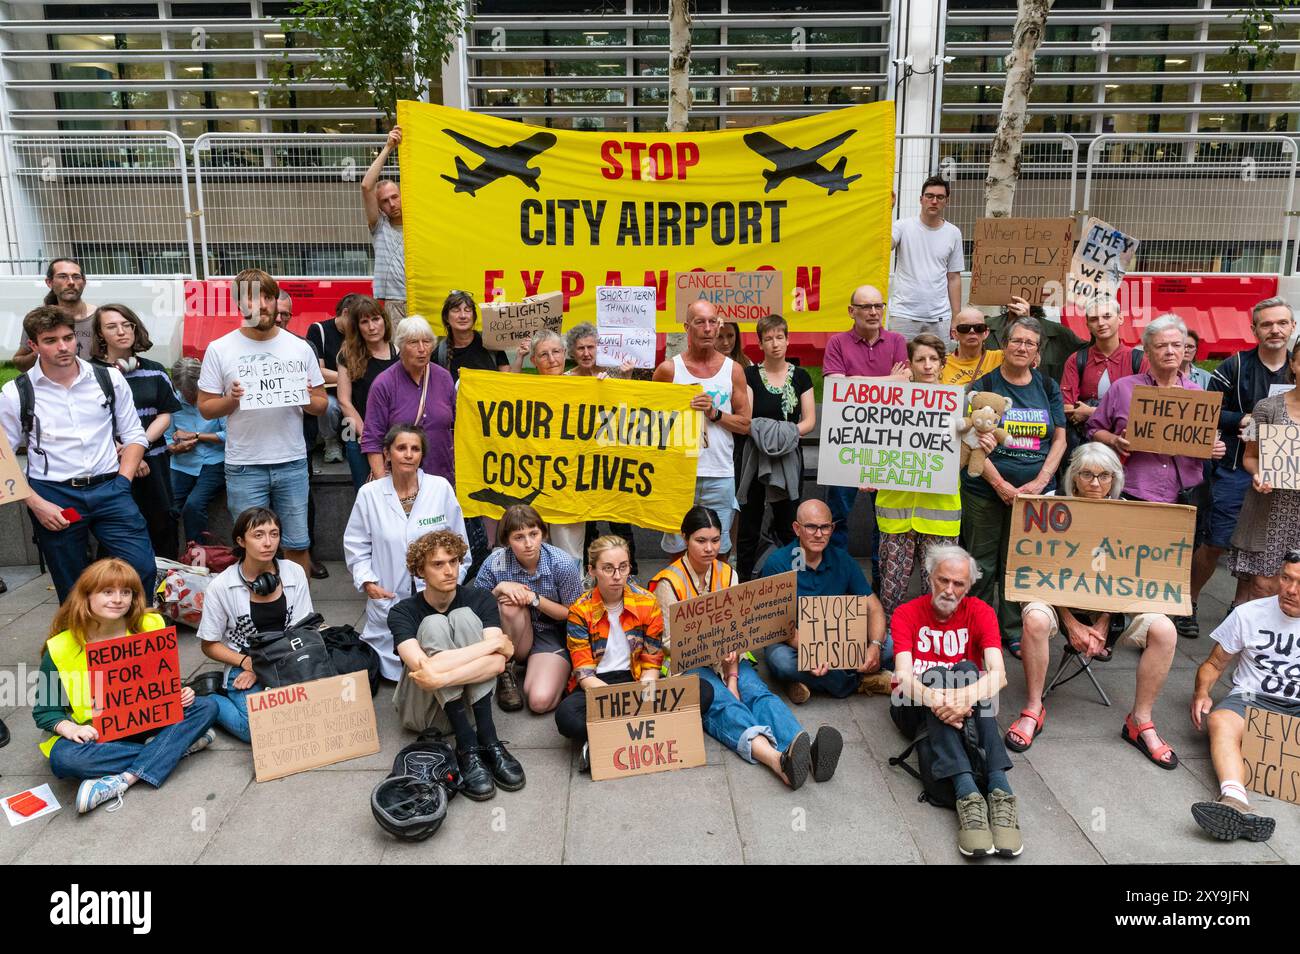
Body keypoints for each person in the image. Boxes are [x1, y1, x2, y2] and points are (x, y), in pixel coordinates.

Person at [1006, 442, 1181, 767]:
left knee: (1165, 630)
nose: (1096, 483)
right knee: (1035, 621)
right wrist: (1072, 624)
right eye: (1087, 474)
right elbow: (1038, 574)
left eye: (1104, 476)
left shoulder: (1128, 513)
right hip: (1060, 603)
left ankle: (1140, 722)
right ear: (1074, 477)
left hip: (1113, 605)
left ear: (1114, 478)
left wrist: (1102, 624)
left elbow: (1129, 577)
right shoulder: (1048, 508)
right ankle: (1033, 708)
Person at [651, 507, 841, 789]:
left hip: (731, 656)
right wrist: (721, 664)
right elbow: (668, 643)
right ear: (684, 538)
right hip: (687, 663)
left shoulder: (728, 574)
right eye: (701, 540)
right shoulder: (668, 582)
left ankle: (806, 749)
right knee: (722, 703)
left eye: (715, 540)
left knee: (758, 694)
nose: (709, 548)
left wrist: (732, 676)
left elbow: (740, 627)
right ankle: (777, 760)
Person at [34, 558, 218, 814]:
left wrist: (179, 692)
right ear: (86, 597)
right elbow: (45, 711)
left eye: (126, 592)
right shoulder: (60, 647)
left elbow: (163, 682)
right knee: (64, 759)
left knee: (206, 706)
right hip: (98, 733)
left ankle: (123, 779)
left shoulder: (151, 626)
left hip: (150, 720)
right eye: (107, 591)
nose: (118, 599)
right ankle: (175, 747)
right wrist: (68, 727)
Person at [0, 306, 154, 602]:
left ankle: (130, 641)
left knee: (142, 569)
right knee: (73, 588)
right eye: (50, 340)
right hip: (54, 495)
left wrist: (123, 482)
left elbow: (134, 435)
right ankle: (84, 645)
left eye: (68, 337)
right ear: (33, 345)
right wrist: (36, 503)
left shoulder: (108, 378)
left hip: (111, 487)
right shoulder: (15, 393)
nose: (63, 347)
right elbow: (3, 458)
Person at [1088, 313, 1227, 636]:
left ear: (1185, 350)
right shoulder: (1124, 389)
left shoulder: (1198, 397)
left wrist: (1214, 449)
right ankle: (1113, 619)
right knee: (1122, 559)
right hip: (1134, 490)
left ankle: (1154, 627)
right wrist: (1115, 440)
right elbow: (1095, 428)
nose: (1169, 351)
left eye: (1176, 345)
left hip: (1181, 496)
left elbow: (1207, 443)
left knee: (1169, 564)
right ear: (1147, 351)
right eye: (1161, 345)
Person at [890, 545, 1020, 857]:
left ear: (969, 586)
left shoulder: (982, 612)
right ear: (929, 577)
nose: (949, 590)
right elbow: (905, 679)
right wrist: (940, 700)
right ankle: (969, 794)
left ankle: (999, 791)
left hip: (966, 708)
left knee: (967, 670)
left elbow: (999, 675)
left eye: (958, 584)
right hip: (912, 705)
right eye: (942, 580)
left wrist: (963, 699)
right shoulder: (906, 613)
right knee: (937, 673)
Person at [197, 268, 327, 578]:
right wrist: (233, 400)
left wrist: (304, 397)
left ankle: (300, 621)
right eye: (253, 298)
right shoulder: (220, 349)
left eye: (268, 296)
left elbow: (321, 406)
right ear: (239, 305)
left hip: (292, 462)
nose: (263, 305)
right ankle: (255, 618)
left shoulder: (299, 347)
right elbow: (205, 408)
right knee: (253, 549)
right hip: (245, 465)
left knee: (297, 545)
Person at [389, 529, 525, 800]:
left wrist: (442, 679)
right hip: (424, 711)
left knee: (463, 617)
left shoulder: (479, 599)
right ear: (420, 571)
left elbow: (498, 666)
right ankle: (466, 744)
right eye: (438, 564)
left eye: (453, 561)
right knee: (434, 623)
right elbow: (426, 669)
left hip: (471, 706)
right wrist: (491, 646)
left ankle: (486, 741)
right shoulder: (402, 612)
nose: (449, 570)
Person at [961, 315, 1068, 656]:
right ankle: (976, 629)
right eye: (1016, 341)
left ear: (1037, 351)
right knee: (982, 562)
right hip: (985, 490)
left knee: (1017, 563)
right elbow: (969, 438)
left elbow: (1061, 438)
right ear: (1004, 345)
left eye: (1030, 343)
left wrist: (1040, 482)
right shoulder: (985, 385)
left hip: (1033, 493)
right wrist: (1000, 484)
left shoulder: (1047, 386)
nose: (1022, 347)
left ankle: (1011, 631)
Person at [1191, 298, 1297, 629]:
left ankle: (1241, 607)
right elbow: (1207, 412)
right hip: (1239, 466)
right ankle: (1188, 600)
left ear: (1292, 327)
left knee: (1260, 546)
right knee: (1218, 540)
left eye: (1282, 323)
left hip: (1288, 478)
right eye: (1266, 324)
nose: (1275, 330)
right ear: (1254, 330)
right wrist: (1242, 419)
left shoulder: (1296, 365)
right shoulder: (1233, 366)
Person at [344, 424, 471, 683]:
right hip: (388, 595)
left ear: (422, 455)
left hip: (437, 596)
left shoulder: (440, 488)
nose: (409, 454)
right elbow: (356, 545)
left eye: (415, 449)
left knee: (437, 656)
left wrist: (450, 583)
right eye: (401, 448)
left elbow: (461, 546)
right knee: (393, 672)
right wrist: (368, 581)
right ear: (387, 454)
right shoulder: (370, 495)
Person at [1189, 550, 1300, 843]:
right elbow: (1214, 664)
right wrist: (1202, 692)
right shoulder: (1249, 614)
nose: (1290, 590)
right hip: (1252, 698)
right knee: (1221, 722)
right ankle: (1235, 800)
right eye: (1286, 578)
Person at [556, 534, 686, 770]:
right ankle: (641, 730)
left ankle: (600, 739)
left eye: (623, 567)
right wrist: (619, 703)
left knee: (702, 693)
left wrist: (643, 692)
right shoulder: (580, 610)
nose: (617, 576)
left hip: (636, 677)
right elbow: (584, 674)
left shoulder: (647, 602)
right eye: (608, 568)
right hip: (597, 684)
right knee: (565, 717)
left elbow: (651, 661)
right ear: (592, 570)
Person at [196, 507, 315, 741]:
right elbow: (209, 644)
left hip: (289, 658)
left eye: (274, 534)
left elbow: (304, 629)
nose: (268, 542)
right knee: (259, 731)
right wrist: (249, 663)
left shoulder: (295, 573)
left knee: (305, 719)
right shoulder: (221, 586)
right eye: (258, 535)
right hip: (243, 662)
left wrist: (264, 668)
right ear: (241, 540)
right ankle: (210, 699)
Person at [758, 499, 889, 702]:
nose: (819, 534)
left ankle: (805, 681)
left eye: (825, 527)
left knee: (889, 647)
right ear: (796, 528)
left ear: (832, 528)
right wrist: (815, 651)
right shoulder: (778, 563)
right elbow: (777, 622)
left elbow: (874, 607)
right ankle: (860, 681)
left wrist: (874, 646)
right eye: (811, 527)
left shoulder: (842, 559)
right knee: (781, 662)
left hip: (837, 637)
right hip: (795, 641)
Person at [653, 300, 752, 559]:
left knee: (717, 548)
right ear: (687, 327)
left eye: (712, 322)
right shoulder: (668, 370)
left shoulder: (734, 370)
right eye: (700, 322)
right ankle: (680, 597)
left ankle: (713, 599)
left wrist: (714, 413)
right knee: (677, 547)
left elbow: (744, 424)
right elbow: (651, 424)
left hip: (719, 472)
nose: (708, 328)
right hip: (679, 474)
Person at [876, 333, 961, 616]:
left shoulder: (957, 404)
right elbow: (873, 444)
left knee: (940, 592)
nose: (927, 365)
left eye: (933, 359)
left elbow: (966, 453)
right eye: (920, 359)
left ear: (942, 364)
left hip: (940, 514)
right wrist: (867, 473)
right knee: (891, 595)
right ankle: (889, 651)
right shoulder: (891, 403)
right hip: (895, 511)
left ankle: (935, 652)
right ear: (909, 364)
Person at [473, 504, 584, 714]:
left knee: (539, 702)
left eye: (534, 534)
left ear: (543, 533)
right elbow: (475, 608)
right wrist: (498, 590)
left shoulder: (561, 563)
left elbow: (575, 613)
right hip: (512, 635)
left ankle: (556, 669)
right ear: (506, 541)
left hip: (550, 632)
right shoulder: (494, 563)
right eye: (519, 537)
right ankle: (506, 668)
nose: (528, 543)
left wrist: (534, 599)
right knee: (509, 603)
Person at [822, 284, 909, 552]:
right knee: (836, 516)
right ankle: (835, 575)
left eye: (878, 306)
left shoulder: (896, 341)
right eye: (866, 307)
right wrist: (889, 380)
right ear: (851, 311)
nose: (873, 312)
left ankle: (879, 584)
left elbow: (906, 383)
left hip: (886, 442)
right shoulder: (837, 342)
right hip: (846, 441)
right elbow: (839, 389)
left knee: (884, 518)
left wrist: (857, 380)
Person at [91, 304, 181, 560]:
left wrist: (138, 447)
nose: (121, 331)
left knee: (162, 523)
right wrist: (128, 453)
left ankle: (164, 591)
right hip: (111, 462)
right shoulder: (89, 373)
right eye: (111, 326)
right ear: (99, 334)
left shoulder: (155, 369)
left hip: (155, 460)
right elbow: (89, 421)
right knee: (116, 529)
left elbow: (165, 414)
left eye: (126, 324)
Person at [737, 313, 815, 581]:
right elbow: (747, 420)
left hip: (789, 458)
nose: (775, 344)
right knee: (750, 523)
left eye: (779, 337)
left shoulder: (801, 377)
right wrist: (771, 433)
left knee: (790, 522)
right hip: (755, 458)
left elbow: (809, 421)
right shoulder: (750, 376)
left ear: (788, 340)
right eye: (768, 339)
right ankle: (745, 581)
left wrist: (784, 434)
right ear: (760, 344)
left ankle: (796, 581)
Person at [1230, 336, 1300, 600]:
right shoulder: (1265, 407)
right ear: (1293, 365)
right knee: (1263, 586)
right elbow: (1249, 455)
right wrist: (1257, 474)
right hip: (1270, 508)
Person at [565, 322, 639, 572]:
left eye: (591, 347)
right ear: (572, 352)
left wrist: (626, 378)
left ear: (599, 348)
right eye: (580, 348)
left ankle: (630, 571)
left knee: (620, 519)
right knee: (587, 521)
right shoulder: (565, 380)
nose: (586, 353)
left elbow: (630, 410)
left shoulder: (614, 373)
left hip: (612, 457)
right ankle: (591, 572)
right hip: (581, 461)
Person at [362, 315, 455, 484]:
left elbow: (459, 428)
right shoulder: (384, 384)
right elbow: (372, 440)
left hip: (441, 480)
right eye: (413, 343)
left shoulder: (444, 378)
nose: (422, 349)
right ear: (401, 346)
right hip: (399, 483)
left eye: (426, 342)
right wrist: (384, 489)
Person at [888, 175, 963, 341]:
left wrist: (956, 317)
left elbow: (954, 277)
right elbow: (885, 246)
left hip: (939, 318)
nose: (934, 201)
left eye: (940, 197)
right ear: (921, 199)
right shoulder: (902, 226)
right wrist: (888, 211)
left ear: (946, 201)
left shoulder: (953, 233)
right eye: (929, 196)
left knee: (939, 366)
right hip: (903, 315)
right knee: (902, 365)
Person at [1060, 298, 1145, 438]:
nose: (1101, 323)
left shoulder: (1140, 359)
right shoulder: (1076, 359)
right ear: (1087, 324)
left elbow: (1145, 410)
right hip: (1086, 441)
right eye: (1094, 319)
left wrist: (1091, 412)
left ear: (1120, 318)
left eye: (1107, 316)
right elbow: (1067, 407)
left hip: (1129, 440)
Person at [336, 295, 398, 489]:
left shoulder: (397, 352)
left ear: (384, 321)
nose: (371, 327)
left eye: (375, 319)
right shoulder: (347, 355)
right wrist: (369, 436)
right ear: (357, 326)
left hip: (395, 439)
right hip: (360, 436)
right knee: (367, 496)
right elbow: (344, 401)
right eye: (364, 321)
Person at [166, 357, 226, 545]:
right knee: (167, 508)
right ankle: (167, 556)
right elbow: (167, 438)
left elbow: (229, 436)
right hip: (182, 464)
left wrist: (197, 435)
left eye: (194, 394)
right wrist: (176, 448)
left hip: (214, 461)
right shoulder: (173, 402)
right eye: (186, 394)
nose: (191, 399)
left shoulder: (218, 397)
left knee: (193, 505)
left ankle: (197, 555)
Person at [13, 258, 96, 372]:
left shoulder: (100, 318)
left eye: (76, 277)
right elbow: (20, 363)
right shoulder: (39, 320)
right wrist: (38, 352)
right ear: (49, 282)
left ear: (84, 282)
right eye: (62, 276)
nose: (71, 282)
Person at [306, 292, 361, 464]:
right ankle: (330, 442)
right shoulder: (319, 330)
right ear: (345, 313)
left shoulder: (360, 334)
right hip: (329, 391)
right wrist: (347, 377)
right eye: (356, 320)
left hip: (355, 391)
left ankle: (351, 442)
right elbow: (317, 371)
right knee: (328, 406)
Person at [361, 125, 405, 322]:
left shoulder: (418, 223)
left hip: (422, 298)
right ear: (379, 207)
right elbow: (366, 186)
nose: (392, 204)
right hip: (394, 300)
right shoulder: (380, 226)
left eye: (395, 197)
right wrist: (388, 147)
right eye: (385, 201)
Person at [435, 289, 511, 381]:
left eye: (467, 310)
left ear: (474, 317)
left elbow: (508, 382)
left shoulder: (491, 342)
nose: (463, 316)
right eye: (456, 310)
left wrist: (520, 356)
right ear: (446, 317)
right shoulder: (439, 353)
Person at [940, 305, 1003, 387]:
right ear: (955, 334)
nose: (972, 331)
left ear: (986, 333)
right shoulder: (941, 363)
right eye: (964, 328)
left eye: (979, 328)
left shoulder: (1001, 358)